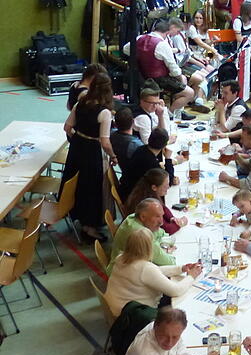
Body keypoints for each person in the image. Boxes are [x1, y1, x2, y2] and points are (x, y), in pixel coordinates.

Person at [61, 72, 116, 240]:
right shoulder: (105, 113)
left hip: (77, 147)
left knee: (75, 183)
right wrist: (113, 156)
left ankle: (75, 214)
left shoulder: (81, 102)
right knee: (92, 188)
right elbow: (105, 142)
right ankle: (89, 227)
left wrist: (76, 140)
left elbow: (67, 127)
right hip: (92, 151)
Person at [105, 228, 200, 316]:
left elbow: (155, 272)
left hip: (117, 306)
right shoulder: (145, 268)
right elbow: (176, 290)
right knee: (181, 305)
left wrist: (180, 269)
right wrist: (191, 276)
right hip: (134, 316)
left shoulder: (121, 258)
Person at [118, 307, 203, 355]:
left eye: (175, 337)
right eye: (164, 336)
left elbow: (179, 345)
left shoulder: (163, 327)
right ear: (155, 326)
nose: (170, 342)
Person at [134, 21, 195, 118]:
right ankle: (169, 114)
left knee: (182, 80)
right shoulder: (162, 44)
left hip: (142, 77)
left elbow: (126, 49)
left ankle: (178, 113)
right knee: (189, 93)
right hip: (159, 80)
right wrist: (180, 78)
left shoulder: (139, 39)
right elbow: (174, 70)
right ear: (167, 33)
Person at [108, 199, 175, 274]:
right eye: (157, 216)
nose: (161, 222)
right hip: (123, 275)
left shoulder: (135, 218)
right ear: (143, 217)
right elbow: (170, 263)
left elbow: (161, 233)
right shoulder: (139, 233)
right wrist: (166, 250)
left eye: (162, 216)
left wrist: (161, 245)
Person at [125, 168, 184, 235]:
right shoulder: (149, 204)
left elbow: (163, 208)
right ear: (154, 187)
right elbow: (166, 229)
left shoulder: (148, 191)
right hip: (141, 236)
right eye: (165, 185)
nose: (168, 187)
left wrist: (171, 218)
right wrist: (181, 223)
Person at [110, 107, 143, 173]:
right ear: (133, 121)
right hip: (130, 176)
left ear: (115, 123)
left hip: (117, 171)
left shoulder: (110, 134)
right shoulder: (136, 144)